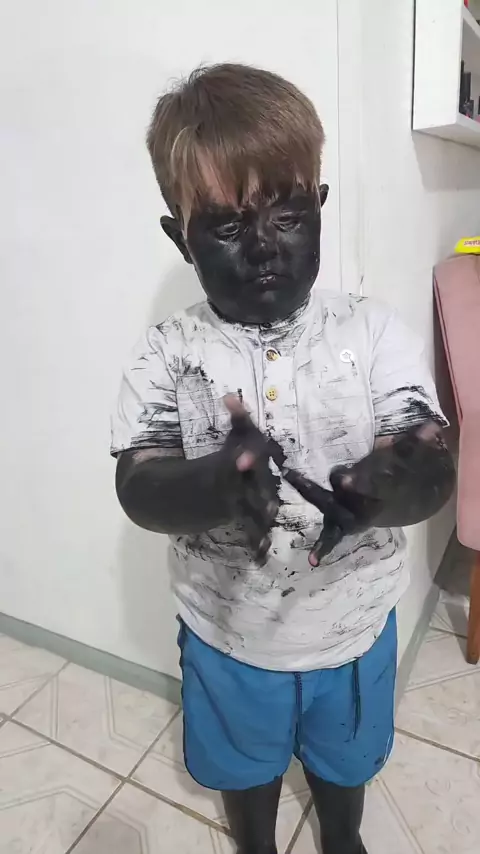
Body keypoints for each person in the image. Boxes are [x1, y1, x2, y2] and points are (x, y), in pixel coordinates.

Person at [111, 64, 455, 854]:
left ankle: (341, 839)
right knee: (244, 774)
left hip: (354, 627)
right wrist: (214, 486)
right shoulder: (168, 352)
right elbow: (138, 483)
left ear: (320, 208)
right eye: (228, 228)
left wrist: (387, 486)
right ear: (179, 236)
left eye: (289, 216)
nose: (265, 246)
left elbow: (432, 463)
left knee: (345, 767)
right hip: (227, 634)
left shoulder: (373, 331)